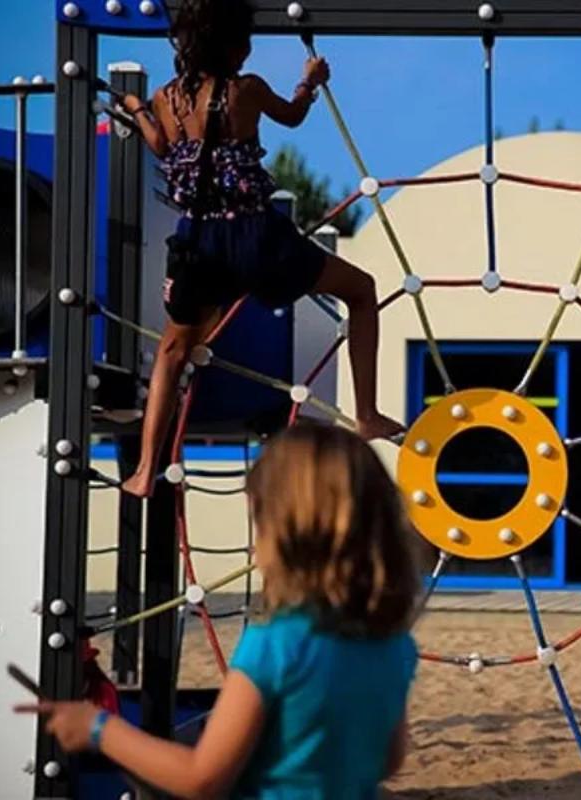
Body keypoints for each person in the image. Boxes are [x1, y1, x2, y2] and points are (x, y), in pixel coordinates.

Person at [17, 423, 420, 798]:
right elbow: (389, 758)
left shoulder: (275, 644)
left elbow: (201, 778)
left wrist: (99, 728)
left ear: (287, 533)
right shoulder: (394, 644)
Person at [119, 0, 402, 497]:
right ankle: (367, 413)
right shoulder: (244, 90)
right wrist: (309, 82)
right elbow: (291, 117)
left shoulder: (166, 98)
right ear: (230, 45)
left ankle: (144, 470)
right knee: (361, 291)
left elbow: (160, 146)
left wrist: (136, 108)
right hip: (255, 235)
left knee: (171, 350)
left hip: (197, 240)